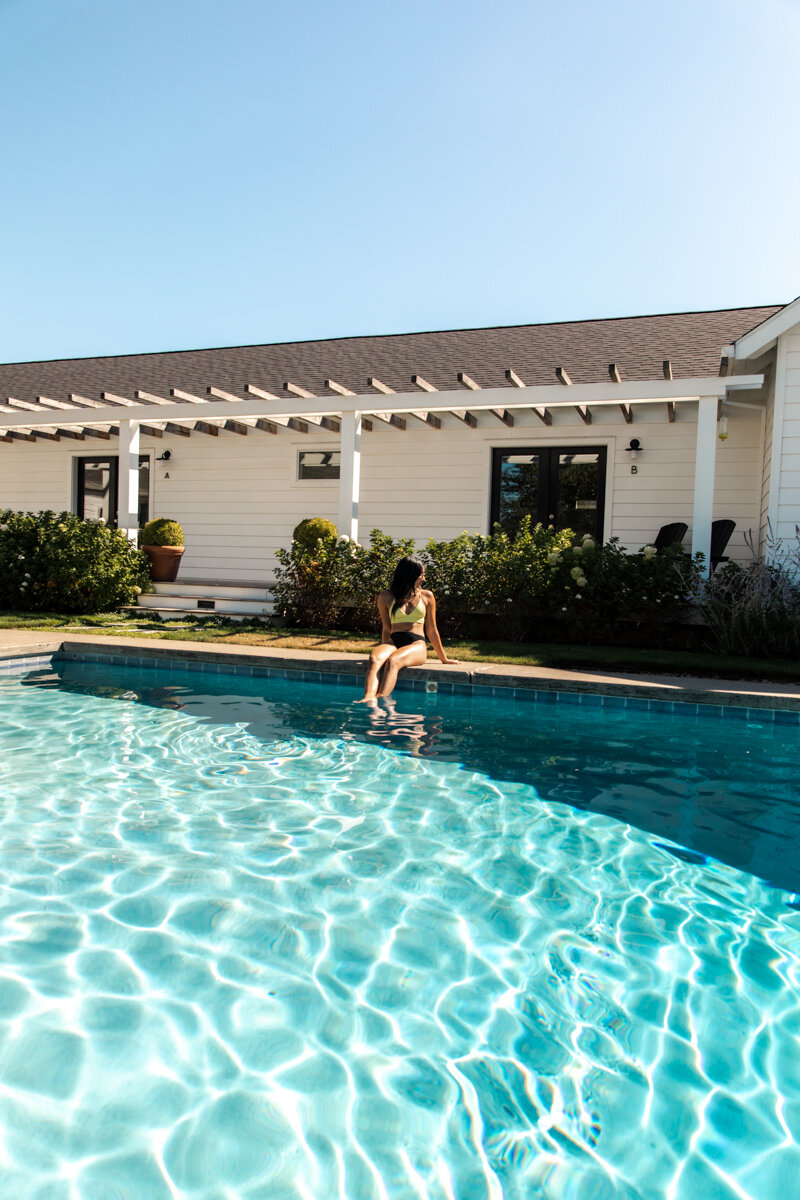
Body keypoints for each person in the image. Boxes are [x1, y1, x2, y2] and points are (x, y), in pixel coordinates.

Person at [359, 555, 459, 701]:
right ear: (409, 576)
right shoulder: (386, 596)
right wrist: (384, 649)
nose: (423, 579)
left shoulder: (427, 596)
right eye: (421, 575)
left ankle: (381, 699)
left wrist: (444, 658)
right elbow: (386, 628)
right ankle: (368, 699)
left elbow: (432, 630)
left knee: (393, 661)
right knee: (374, 659)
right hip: (394, 641)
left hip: (416, 644)